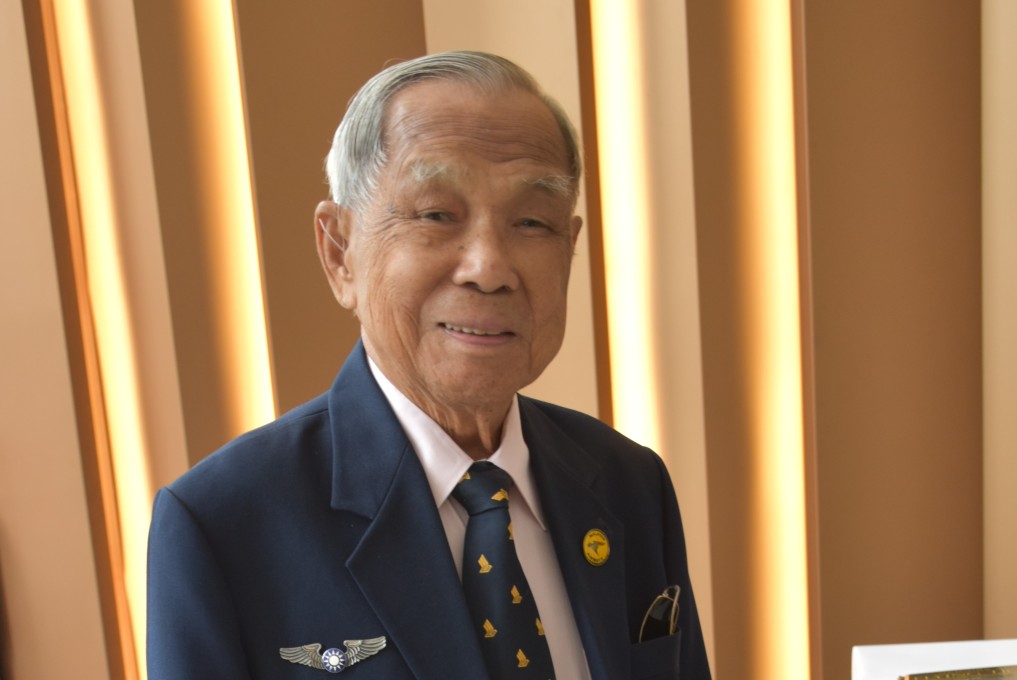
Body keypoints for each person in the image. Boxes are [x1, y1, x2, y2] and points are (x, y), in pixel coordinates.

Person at [147, 51, 711, 679]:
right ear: (340, 253)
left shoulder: (630, 481)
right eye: (437, 215)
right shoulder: (224, 524)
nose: (490, 268)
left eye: (532, 221)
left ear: (570, 249)